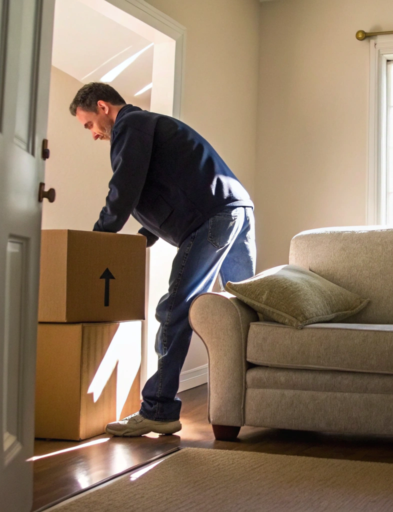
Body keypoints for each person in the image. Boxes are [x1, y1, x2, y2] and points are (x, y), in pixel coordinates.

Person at [69, 83, 256, 437]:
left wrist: (97, 238)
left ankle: (158, 410)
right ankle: (248, 400)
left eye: (88, 124)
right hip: (236, 210)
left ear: (104, 107)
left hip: (213, 217)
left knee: (174, 310)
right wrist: (144, 238)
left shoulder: (131, 125)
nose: (92, 134)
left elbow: (125, 186)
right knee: (243, 309)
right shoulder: (147, 127)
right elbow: (163, 186)